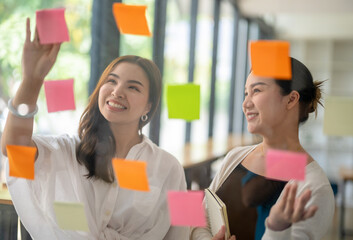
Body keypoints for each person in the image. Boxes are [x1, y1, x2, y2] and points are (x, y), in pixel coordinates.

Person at [1, 18, 189, 240]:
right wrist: (31, 81)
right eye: (112, 81)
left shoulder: (169, 167)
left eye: (133, 87)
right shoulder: (67, 152)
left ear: (149, 106)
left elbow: (183, 230)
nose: (117, 92)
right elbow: (14, 149)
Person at [190, 56, 335, 240]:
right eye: (246, 93)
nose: (245, 104)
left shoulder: (315, 188)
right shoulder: (235, 156)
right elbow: (200, 220)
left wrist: (276, 228)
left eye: (256, 90)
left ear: (291, 100)